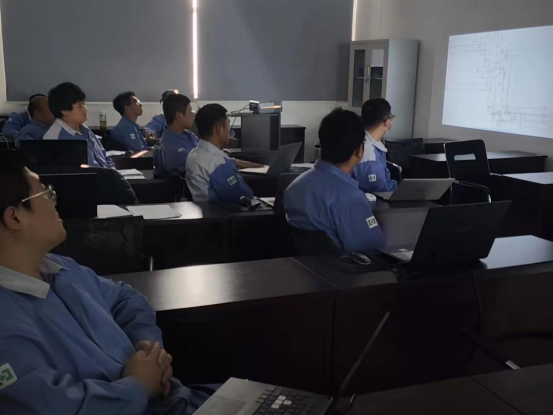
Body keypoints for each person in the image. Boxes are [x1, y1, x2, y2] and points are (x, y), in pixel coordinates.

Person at [0, 150, 215, 414]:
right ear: (14, 217)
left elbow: (125, 298)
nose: (55, 201)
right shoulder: (7, 323)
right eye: (46, 193)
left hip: (177, 400)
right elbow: (49, 407)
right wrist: (138, 386)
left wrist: (147, 346)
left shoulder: (60, 268)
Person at [285, 108, 385, 253]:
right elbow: (372, 249)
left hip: (306, 265)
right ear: (359, 150)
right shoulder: (350, 197)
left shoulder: (295, 186)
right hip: (346, 266)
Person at [186, 104, 261, 203]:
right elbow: (242, 196)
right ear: (219, 128)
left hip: (202, 208)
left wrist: (237, 163)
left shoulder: (193, 154)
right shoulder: (217, 162)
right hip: (221, 210)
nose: (229, 129)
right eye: (228, 124)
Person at [44, 82, 115, 170]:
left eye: (84, 105)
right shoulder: (55, 138)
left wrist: (113, 173)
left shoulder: (86, 130)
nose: (85, 110)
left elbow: (105, 157)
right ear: (63, 110)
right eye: (80, 106)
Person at [352, 98, 398, 193]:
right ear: (386, 122)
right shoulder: (369, 155)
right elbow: (379, 192)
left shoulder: (365, 141)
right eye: (391, 118)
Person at [160, 93, 199, 173]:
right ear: (179, 116)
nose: (193, 115)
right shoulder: (172, 148)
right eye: (190, 111)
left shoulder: (189, 134)